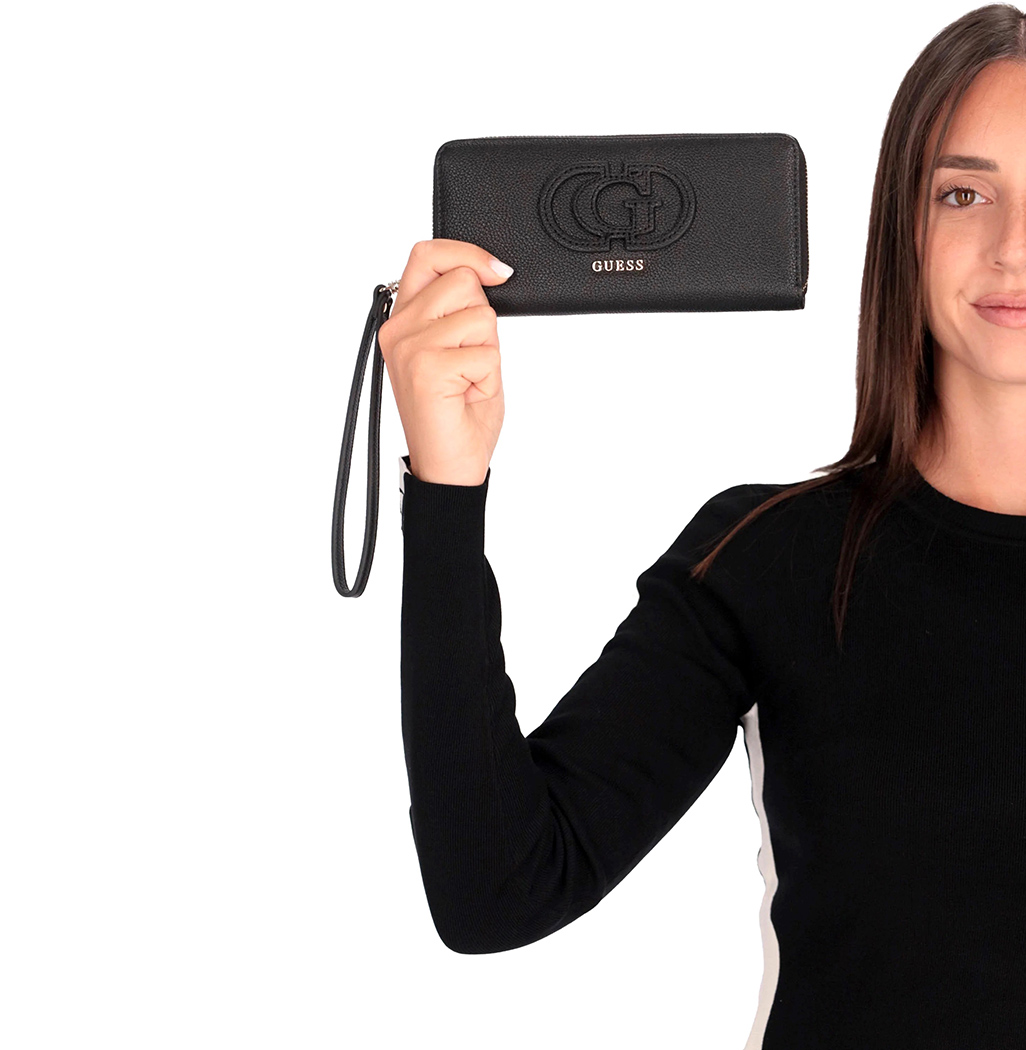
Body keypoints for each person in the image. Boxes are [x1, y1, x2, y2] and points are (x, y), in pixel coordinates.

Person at [376, 5, 1026, 1047]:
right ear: (905, 227)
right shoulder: (770, 560)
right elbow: (497, 890)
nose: (1012, 247)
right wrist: (447, 489)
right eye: (964, 193)